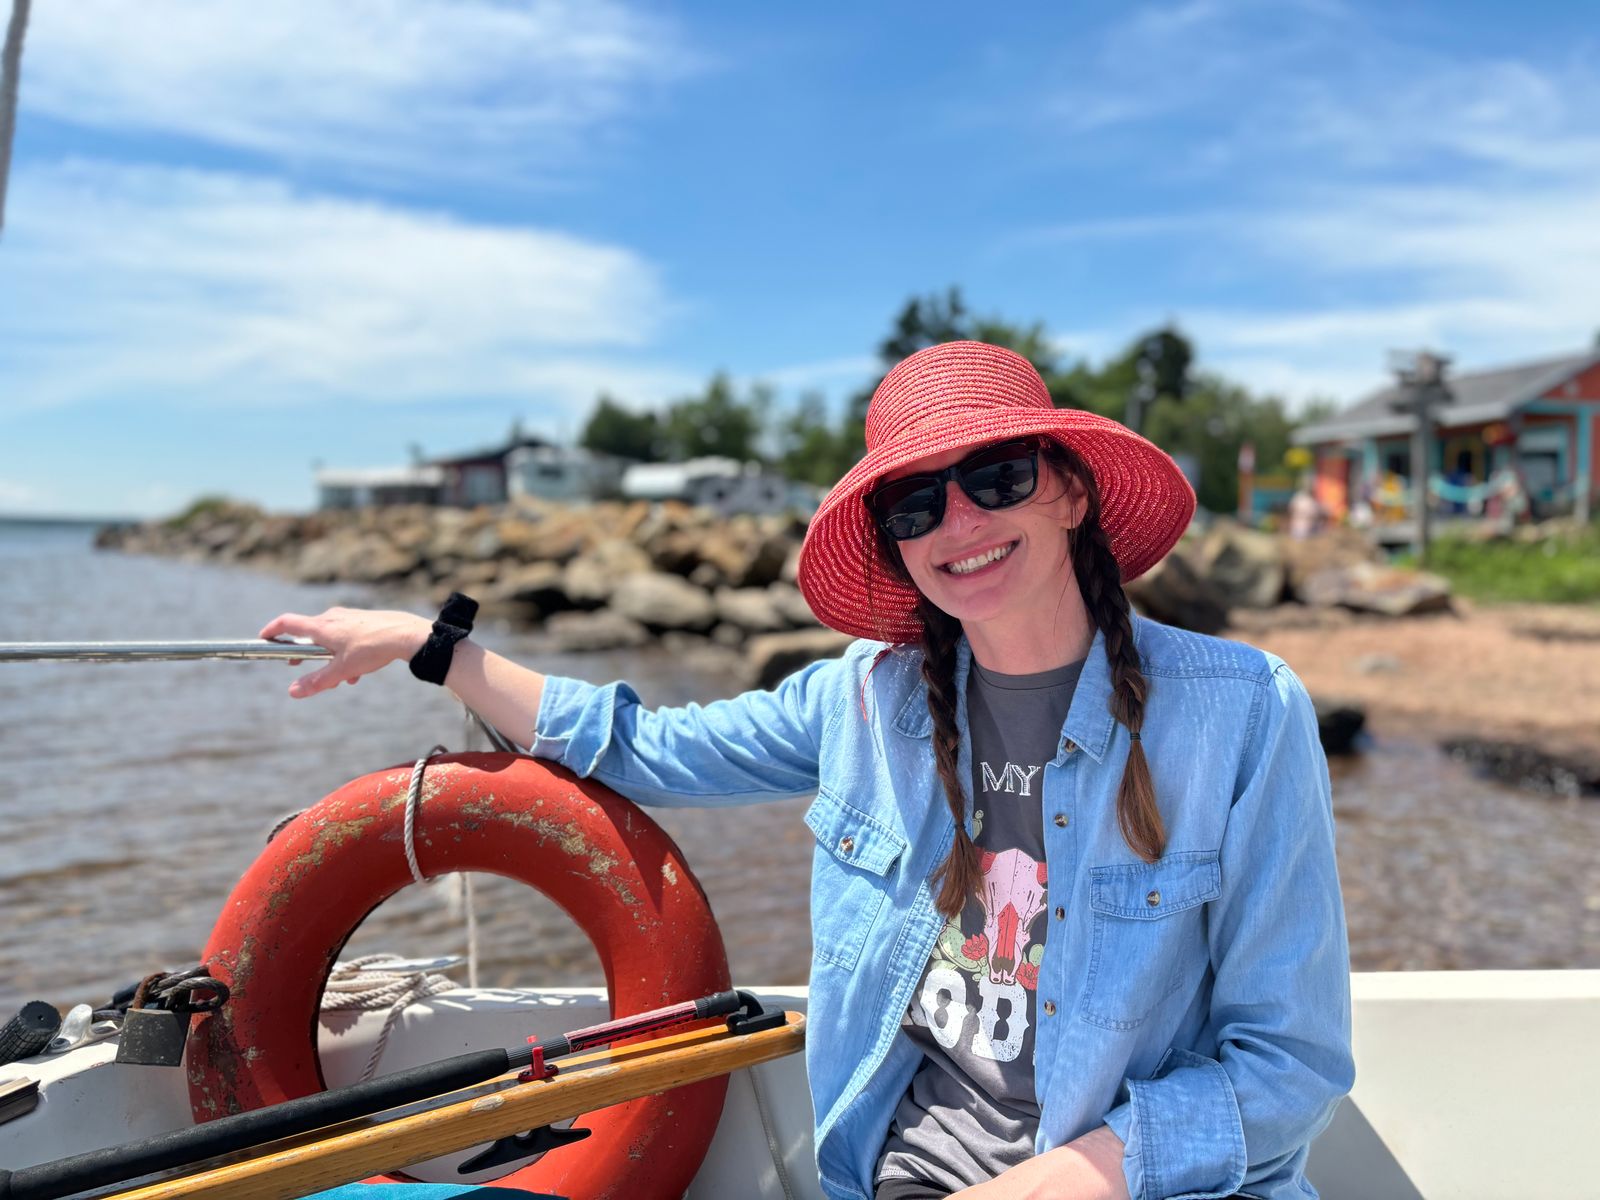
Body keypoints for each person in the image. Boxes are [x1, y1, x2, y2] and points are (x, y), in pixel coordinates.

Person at [263, 341, 1353, 1200]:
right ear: (895, 544)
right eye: (914, 505)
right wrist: (432, 648)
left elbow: (1289, 1063)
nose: (958, 523)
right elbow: (642, 746)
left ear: (1069, 491)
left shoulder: (1242, 713)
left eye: (997, 476)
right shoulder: (860, 700)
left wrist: (1059, 1182)